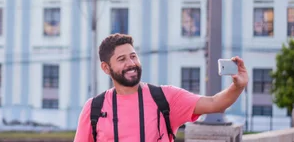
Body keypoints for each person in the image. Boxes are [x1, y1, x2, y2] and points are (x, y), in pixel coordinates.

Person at [73, 34, 248, 142]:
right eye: (122, 59)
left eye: (133, 56)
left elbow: (215, 103)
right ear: (106, 68)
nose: (131, 63)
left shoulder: (165, 97)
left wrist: (237, 86)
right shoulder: (94, 108)